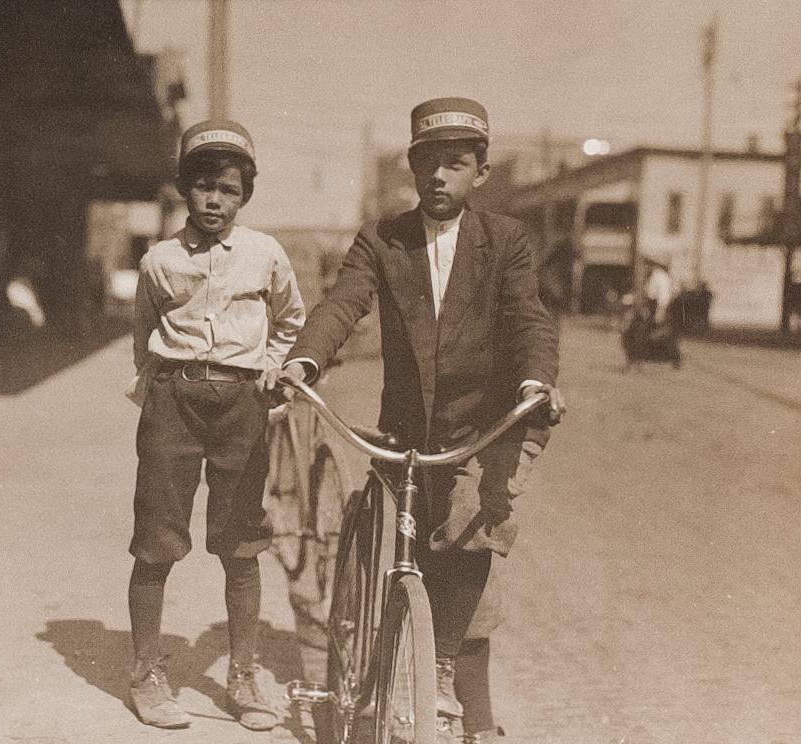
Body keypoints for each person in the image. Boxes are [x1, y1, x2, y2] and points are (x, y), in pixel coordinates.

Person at [282, 97, 564, 742]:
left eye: (456, 163)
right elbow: (343, 303)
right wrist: (304, 360)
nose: (439, 176)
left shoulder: (507, 241)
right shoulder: (384, 239)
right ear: (411, 168)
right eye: (427, 162)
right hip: (410, 431)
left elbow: (530, 319)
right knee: (430, 563)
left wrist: (535, 379)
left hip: (485, 428)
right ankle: (431, 692)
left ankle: (450, 687)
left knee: (470, 539)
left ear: (481, 172)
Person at [125, 119, 306, 731]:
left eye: (228, 190)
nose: (214, 201)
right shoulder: (159, 260)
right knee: (157, 540)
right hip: (173, 401)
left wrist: (272, 372)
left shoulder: (265, 254)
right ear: (184, 189)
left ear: (244, 194)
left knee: (241, 542)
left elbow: (291, 321)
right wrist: (160, 393)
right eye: (203, 186)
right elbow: (144, 335)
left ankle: (243, 675)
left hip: (241, 407)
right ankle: (146, 675)